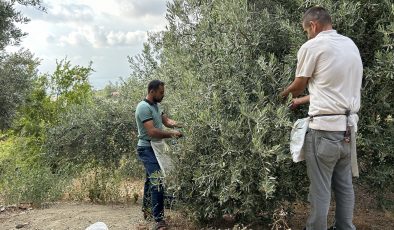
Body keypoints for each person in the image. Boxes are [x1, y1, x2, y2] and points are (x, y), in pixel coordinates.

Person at [280, 6, 362, 230]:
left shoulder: (313, 46)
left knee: (320, 189)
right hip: (347, 130)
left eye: (306, 30)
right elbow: (331, 89)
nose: (306, 35)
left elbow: (298, 85)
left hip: (324, 132)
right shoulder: (349, 45)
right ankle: (345, 227)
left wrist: (283, 95)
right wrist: (303, 101)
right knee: (345, 186)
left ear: (313, 26)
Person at [135, 80, 182, 230]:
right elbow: (152, 132)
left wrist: (179, 124)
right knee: (157, 180)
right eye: (161, 92)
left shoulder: (156, 105)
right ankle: (159, 221)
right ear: (152, 91)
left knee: (151, 180)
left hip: (156, 147)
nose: (163, 95)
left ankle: (148, 211)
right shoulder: (143, 107)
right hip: (147, 148)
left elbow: (166, 121)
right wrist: (172, 134)